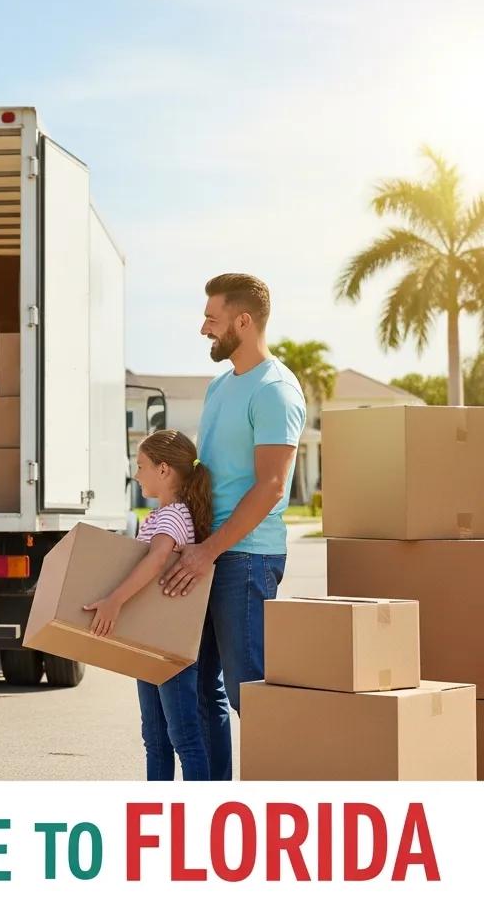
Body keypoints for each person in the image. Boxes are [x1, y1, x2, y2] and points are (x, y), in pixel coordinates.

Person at [161, 273, 306, 780]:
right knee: (201, 688)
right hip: (206, 552)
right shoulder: (221, 385)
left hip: (245, 557)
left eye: (212, 318)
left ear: (243, 321)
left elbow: (269, 487)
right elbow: (210, 474)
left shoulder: (275, 390)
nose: (204, 329)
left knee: (252, 690)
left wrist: (210, 551)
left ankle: (280, 808)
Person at [84, 430, 214, 781]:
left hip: (166, 641)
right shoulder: (161, 515)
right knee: (155, 738)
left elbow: (156, 559)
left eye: (140, 466)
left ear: (164, 470)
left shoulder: (173, 516)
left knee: (182, 737)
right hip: (151, 641)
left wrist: (114, 601)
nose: (136, 474)